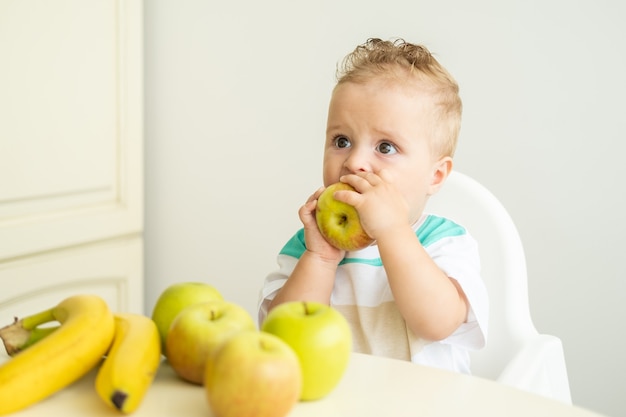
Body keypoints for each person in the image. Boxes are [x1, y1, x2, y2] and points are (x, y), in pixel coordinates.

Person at [257, 38, 488, 374]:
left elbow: (438, 323)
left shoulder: (444, 242)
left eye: (385, 147)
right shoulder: (310, 245)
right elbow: (282, 339)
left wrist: (393, 231)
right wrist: (320, 258)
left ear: (435, 176)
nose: (355, 161)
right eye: (341, 141)